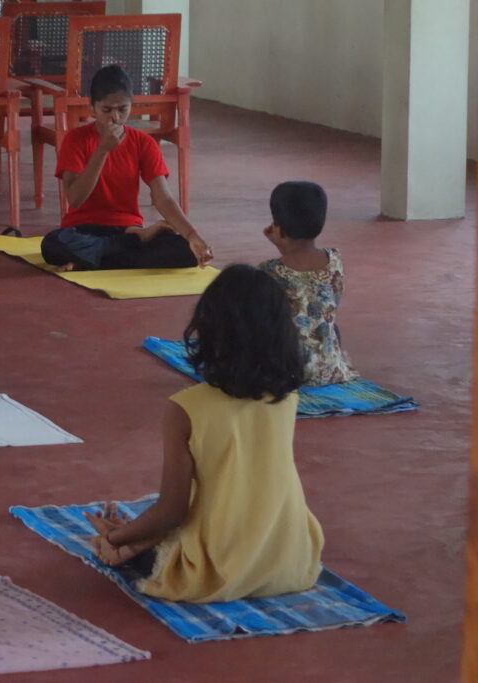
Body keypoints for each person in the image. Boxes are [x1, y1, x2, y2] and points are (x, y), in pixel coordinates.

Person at [86, 265, 324, 602]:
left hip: (218, 569)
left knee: (133, 548)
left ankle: (121, 546)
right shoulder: (287, 397)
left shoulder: (186, 408)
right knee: (147, 536)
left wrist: (118, 538)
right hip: (290, 558)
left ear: (209, 330)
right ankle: (130, 542)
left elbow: (171, 512)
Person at [40, 64, 213, 272]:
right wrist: (102, 151)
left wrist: (192, 235)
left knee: (184, 249)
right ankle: (111, 255)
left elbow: (163, 197)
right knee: (52, 243)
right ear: (92, 108)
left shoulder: (143, 142)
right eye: (106, 110)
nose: (115, 117)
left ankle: (92, 259)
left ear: (132, 105)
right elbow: (75, 199)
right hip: (84, 229)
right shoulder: (75, 140)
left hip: (128, 229)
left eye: (122, 109)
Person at [261, 181, 358, 386]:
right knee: (328, 327)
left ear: (279, 229)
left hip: (285, 372)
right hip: (328, 368)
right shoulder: (335, 260)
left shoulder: (268, 270)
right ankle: (328, 361)